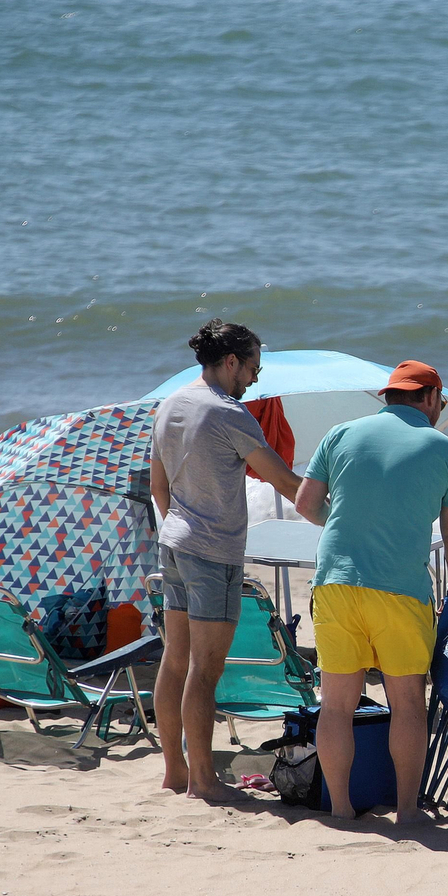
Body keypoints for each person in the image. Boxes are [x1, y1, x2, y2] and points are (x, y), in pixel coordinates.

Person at [294, 360, 448, 824]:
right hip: (401, 589)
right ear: (430, 397)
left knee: (336, 705)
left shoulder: (340, 434)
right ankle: (408, 811)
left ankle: (340, 808)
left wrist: (343, 522)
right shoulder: (447, 449)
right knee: (407, 703)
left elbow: (306, 504)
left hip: (335, 582)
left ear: (387, 397)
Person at [150, 320, 302, 804]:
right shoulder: (229, 412)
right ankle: (203, 781)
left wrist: (182, 526)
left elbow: (158, 487)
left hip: (173, 544)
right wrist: (339, 511)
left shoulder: (169, 405)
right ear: (232, 361)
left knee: (175, 661)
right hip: (212, 553)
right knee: (205, 669)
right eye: (254, 367)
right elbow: (285, 482)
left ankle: (175, 772)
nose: (255, 379)